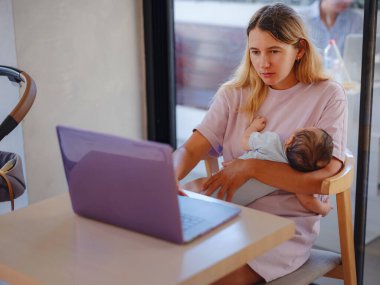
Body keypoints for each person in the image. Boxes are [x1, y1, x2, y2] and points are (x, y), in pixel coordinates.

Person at [173, 3, 347, 284]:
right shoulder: (234, 94)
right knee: (163, 261)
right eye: (255, 52)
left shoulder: (327, 94)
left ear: (299, 49)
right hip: (227, 214)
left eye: (274, 51)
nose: (263, 63)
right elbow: (190, 149)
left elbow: (326, 174)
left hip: (285, 227)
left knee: (206, 279)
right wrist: (167, 178)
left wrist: (251, 167)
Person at [184, 116, 334, 216]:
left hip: (215, 186)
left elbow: (245, 141)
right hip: (231, 207)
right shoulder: (293, 177)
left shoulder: (271, 141)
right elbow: (308, 202)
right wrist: (325, 209)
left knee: (193, 190)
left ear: (290, 140)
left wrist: (253, 127)